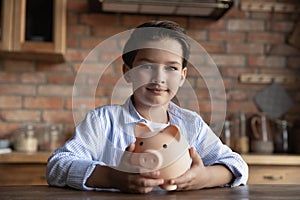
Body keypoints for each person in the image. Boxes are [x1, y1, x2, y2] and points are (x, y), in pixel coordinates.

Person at [46, 20, 248, 194]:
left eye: (171, 68)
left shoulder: (191, 124)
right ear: (128, 71)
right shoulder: (103, 122)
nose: (159, 78)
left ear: (182, 76)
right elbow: (57, 166)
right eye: (147, 66)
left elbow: (237, 165)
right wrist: (114, 177)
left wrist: (204, 177)